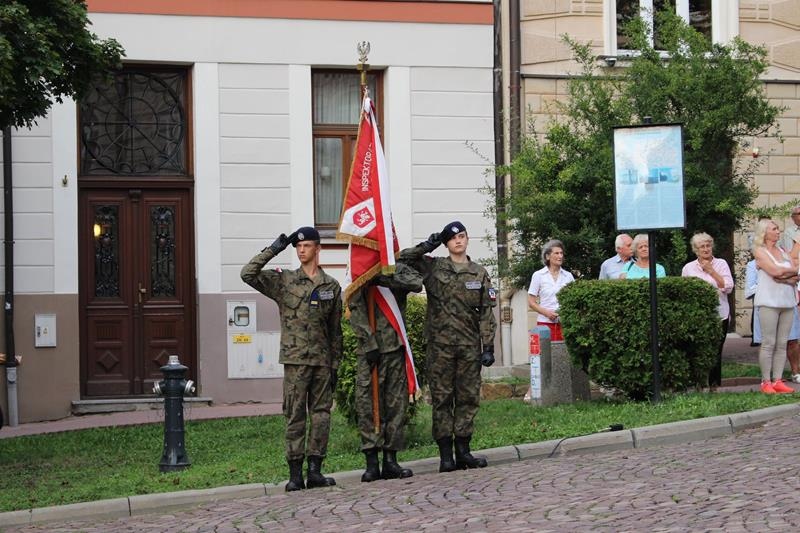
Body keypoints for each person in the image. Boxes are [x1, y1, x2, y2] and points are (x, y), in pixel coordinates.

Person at [240, 227, 343, 491]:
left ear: (318, 248)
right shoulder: (284, 281)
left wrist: (335, 365)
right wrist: (275, 248)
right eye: (298, 247)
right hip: (295, 361)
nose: (301, 250)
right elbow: (247, 273)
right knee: (294, 415)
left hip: (321, 362)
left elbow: (335, 331)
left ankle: (315, 471)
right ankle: (295, 474)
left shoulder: (331, 286)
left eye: (306, 246)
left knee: (320, 416)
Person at [398, 221, 497, 473]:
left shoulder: (479, 273)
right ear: (446, 243)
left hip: (468, 346)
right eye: (452, 238)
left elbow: (487, 312)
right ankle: (445, 455)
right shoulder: (434, 267)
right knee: (442, 399)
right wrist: (426, 246)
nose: (458, 241)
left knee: (467, 398)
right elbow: (402, 260)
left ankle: (463, 451)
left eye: (462, 236)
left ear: (467, 239)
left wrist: (488, 346)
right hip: (439, 347)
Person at [348, 263, 422, 482]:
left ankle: (391, 460)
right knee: (367, 405)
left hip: (395, 348)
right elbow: (355, 306)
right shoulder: (361, 269)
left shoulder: (397, 268)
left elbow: (416, 283)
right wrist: (369, 342)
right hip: (370, 352)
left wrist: (384, 278)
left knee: (396, 405)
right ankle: (372, 463)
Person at [680, 233, 733, 388]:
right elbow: (684, 292)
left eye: (708, 245)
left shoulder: (721, 264)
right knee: (698, 350)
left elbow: (728, 287)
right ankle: (699, 384)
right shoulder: (688, 268)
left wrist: (711, 271)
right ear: (696, 250)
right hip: (698, 315)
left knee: (716, 350)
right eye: (702, 246)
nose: (706, 249)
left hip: (719, 314)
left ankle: (714, 385)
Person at [752, 219, 798, 394]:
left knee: (782, 343)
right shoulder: (760, 251)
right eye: (774, 229)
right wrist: (788, 274)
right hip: (768, 302)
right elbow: (775, 271)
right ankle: (766, 381)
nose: (778, 231)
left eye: (778, 229)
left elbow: (795, 274)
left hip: (787, 301)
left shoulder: (783, 251)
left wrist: (784, 276)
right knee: (768, 342)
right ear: (765, 232)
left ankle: (778, 380)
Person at [747, 259, 800, 384]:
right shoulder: (753, 264)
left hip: (787, 303)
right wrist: (773, 284)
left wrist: (782, 280)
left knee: (791, 341)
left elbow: (796, 279)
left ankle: (794, 373)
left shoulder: (787, 261)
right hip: (767, 305)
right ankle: (766, 378)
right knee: (767, 343)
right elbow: (750, 289)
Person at [528, 239, 575, 342]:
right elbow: (531, 303)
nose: (560, 256)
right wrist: (547, 313)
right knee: (545, 351)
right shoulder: (538, 275)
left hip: (564, 324)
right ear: (548, 256)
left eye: (561, 253)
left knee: (563, 351)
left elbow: (574, 300)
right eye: (556, 253)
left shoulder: (568, 276)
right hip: (544, 324)